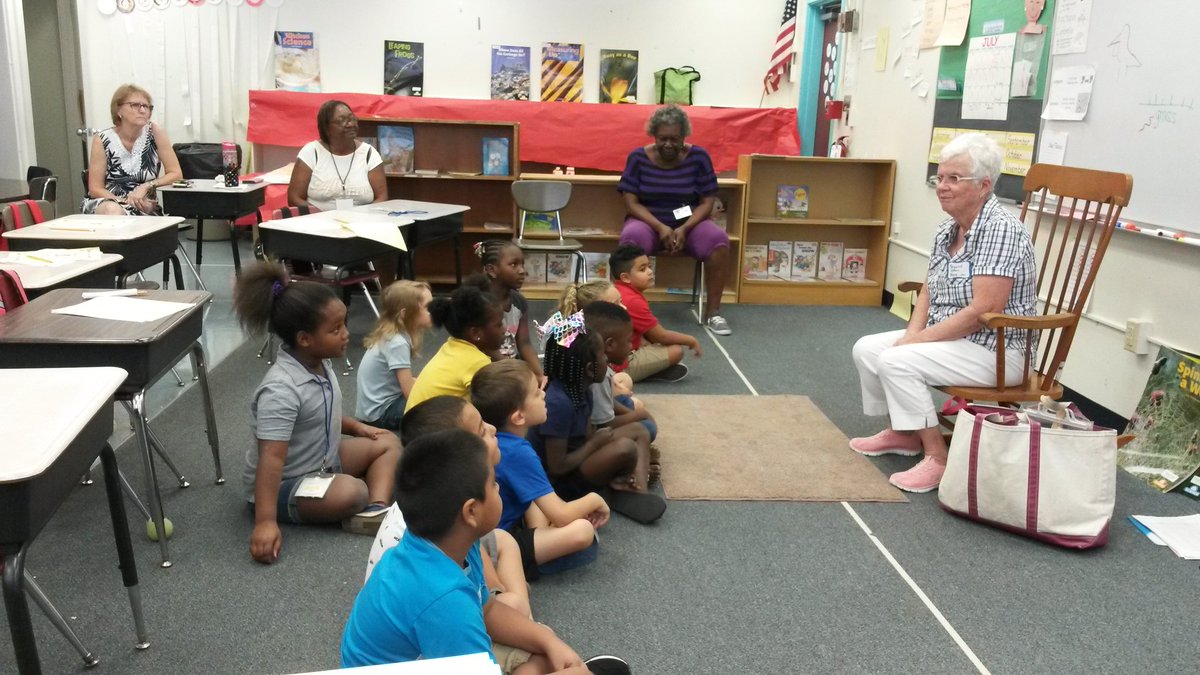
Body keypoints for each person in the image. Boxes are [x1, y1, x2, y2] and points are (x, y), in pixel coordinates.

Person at [340, 429, 618, 674]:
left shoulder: (447, 543)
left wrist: (548, 641)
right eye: (494, 483)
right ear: (471, 511)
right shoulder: (444, 600)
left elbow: (488, 610)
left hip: (427, 655)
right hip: (428, 651)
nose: (499, 489)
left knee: (543, 646)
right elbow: (461, 614)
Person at [849, 133, 1037, 493]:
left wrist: (912, 344)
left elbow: (984, 310)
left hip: (997, 349)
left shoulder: (1001, 229)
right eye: (940, 177)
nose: (942, 186)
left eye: (954, 179)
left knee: (897, 361)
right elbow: (929, 289)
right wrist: (910, 335)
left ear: (984, 186)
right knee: (868, 348)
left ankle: (937, 458)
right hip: (955, 338)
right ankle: (905, 434)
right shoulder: (948, 228)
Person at [232, 262, 402, 564]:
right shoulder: (281, 390)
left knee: (387, 441)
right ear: (304, 339)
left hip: (323, 460)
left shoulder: (318, 363)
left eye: (344, 325)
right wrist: (265, 522)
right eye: (335, 330)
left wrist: (357, 428)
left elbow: (321, 415)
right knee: (352, 492)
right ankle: (360, 500)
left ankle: (375, 511)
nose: (346, 335)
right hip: (287, 483)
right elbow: (271, 459)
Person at [471, 360, 609, 580]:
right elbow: (562, 516)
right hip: (497, 542)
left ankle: (538, 537)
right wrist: (594, 500)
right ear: (518, 417)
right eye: (536, 393)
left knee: (538, 494)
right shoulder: (517, 451)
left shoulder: (498, 440)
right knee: (583, 533)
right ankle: (515, 567)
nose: (544, 395)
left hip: (490, 529)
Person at [531, 311, 666, 523]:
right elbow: (557, 466)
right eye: (603, 355)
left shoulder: (583, 388)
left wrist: (596, 441)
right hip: (560, 481)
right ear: (588, 368)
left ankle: (637, 490)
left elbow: (586, 436)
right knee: (625, 448)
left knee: (638, 431)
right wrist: (596, 444)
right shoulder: (558, 404)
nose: (607, 360)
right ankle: (611, 486)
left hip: (580, 457)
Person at [617, 104, 732, 335]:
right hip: (649, 221)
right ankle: (627, 312)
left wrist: (684, 228)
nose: (668, 144)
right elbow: (631, 202)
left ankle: (714, 313)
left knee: (718, 241)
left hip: (690, 223)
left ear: (684, 136)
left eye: (675, 139)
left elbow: (707, 202)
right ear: (654, 135)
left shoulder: (699, 157)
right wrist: (660, 227)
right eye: (662, 138)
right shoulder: (638, 158)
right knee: (630, 241)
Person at [287, 99, 394, 282]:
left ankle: (389, 297)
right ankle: (311, 295)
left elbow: (381, 196)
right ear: (327, 128)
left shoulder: (369, 153)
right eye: (343, 120)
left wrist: (361, 219)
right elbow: (294, 197)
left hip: (361, 228)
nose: (351, 123)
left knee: (392, 239)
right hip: (320, 228)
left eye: (352, 118)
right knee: (296, 242)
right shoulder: (311, 152)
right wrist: (323, 218)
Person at [558, 281, 659, 449]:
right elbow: (602, 424)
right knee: (645, 427)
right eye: (617, 303)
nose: (624, 307)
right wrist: (638, 414)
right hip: (589, 433)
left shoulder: (580, 339)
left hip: (593, 412)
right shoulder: (597, 369)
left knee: (626, 390)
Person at [82, 83, 182, 216]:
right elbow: (95, 189)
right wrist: (125, 202)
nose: (142, 110)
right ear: (118, 110)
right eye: (135, 105)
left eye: (146, 106)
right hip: (107, 201)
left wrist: (147, 186)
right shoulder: (102, 139)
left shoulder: (155, 132)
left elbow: (176, 173)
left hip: (145, 205)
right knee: (112, 211)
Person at [609, 243, 702, 383]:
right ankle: (641, 373)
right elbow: (661, 336)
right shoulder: (633, 300)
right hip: (617, 365)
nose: (650, 272)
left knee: (647, 341)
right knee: (676, 350)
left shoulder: (615, 289)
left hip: (607, 356)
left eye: (649, 266)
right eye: (642, 269)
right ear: (626, 277)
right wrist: (691, 340)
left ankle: (649, 368)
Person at [405, 285, 507, 411]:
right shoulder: (476, 361)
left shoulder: (452, 346)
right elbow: (495, 403)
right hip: (432, 427)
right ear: (475, 333)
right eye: (499, 324)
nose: (504, 329)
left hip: (416, 422)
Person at [355, 280, 432, 430]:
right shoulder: (397, 343)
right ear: (405, 314)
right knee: (436, 404)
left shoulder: (393, 335)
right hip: (381, 414)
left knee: (427, 387)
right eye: (428, 307)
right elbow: (409, 392)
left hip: (373, 409)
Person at [474, 240, 546, 385]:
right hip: (486, 369)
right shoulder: (479, 303)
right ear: (491, 270)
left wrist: (540, 375)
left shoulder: (519, 302)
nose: (522, 271)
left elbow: (524, 343)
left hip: (512, 365)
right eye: (514, 265)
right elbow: (487, 349)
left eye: (522, 264)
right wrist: (520, 374)